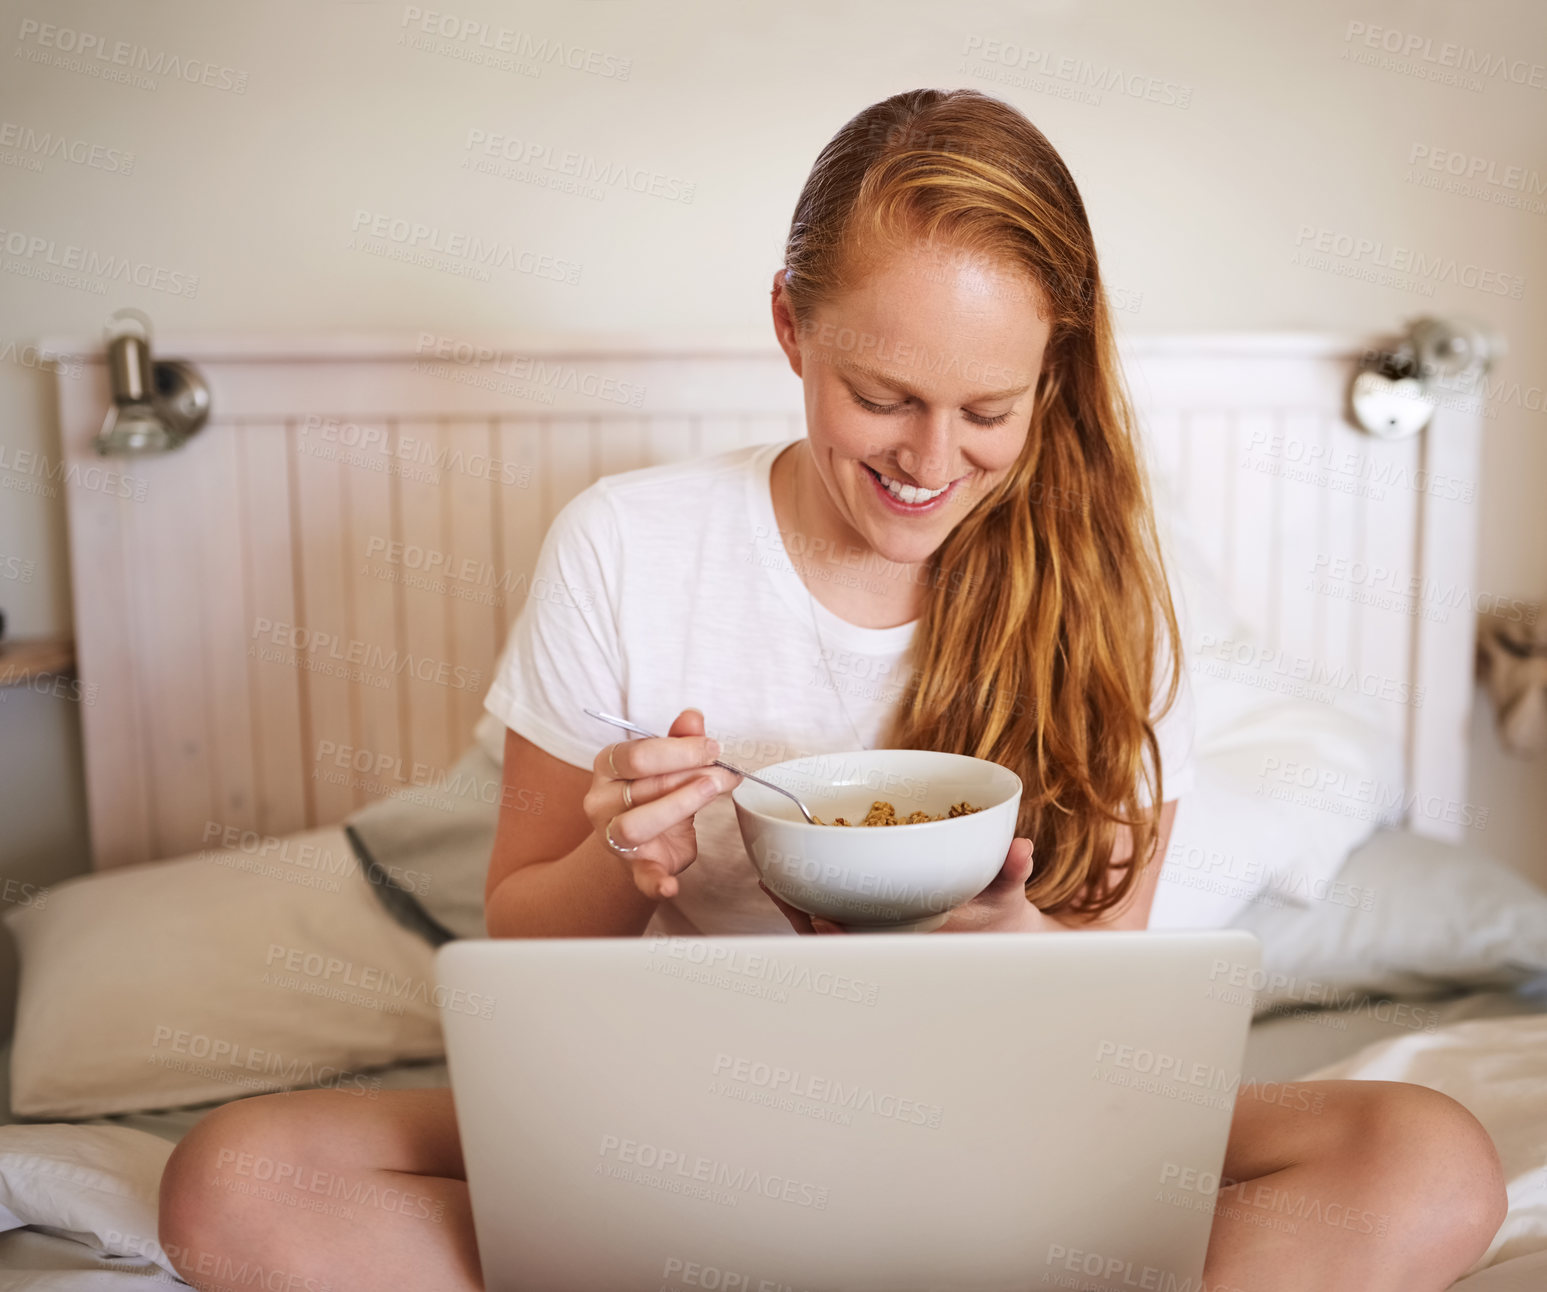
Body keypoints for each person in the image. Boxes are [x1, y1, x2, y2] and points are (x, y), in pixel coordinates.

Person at [158, 88, 1506, 1292]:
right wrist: (626, 863)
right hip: (681, 1117)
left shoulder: (1110, 591)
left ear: (1054, 373)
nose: (932, 459)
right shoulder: (627, 544)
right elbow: (520, 940)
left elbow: (1118, 995)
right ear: (792, 326)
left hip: (1008, 1126)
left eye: (990, 410)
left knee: (1429, 1161)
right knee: (232, 1182)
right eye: (884, 395)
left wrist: (1027, 959)